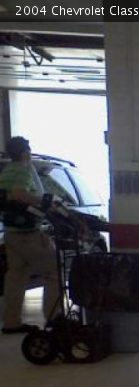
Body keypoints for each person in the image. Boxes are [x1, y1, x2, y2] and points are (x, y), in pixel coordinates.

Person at [0, 136, 60, 334]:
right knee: (53, 272)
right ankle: (54, 318)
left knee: (15, 278)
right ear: (25, 152)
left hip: (11, 233)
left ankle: (11, 323)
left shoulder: (6, 171)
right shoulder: (24, 169)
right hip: (29, 234)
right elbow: (19, 194)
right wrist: (42, 202)